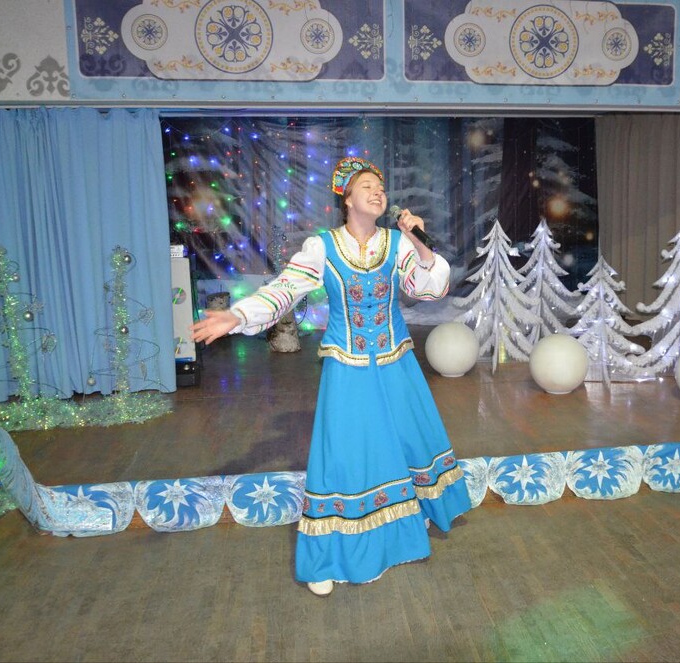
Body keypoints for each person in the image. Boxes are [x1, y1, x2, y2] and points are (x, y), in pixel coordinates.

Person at [190, 156, 472, 596]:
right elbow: (285, 290)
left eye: (381, 187)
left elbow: (430, 288)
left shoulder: (397, 243)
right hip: (349, 367)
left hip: (395, 363)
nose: (377, 192)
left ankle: (402, 531)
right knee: (343, 455)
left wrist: (419, 242)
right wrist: (238, 315)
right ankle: (331, 553)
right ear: (347, 199)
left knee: (402, 444)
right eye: (367, 186)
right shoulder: (322, 247)